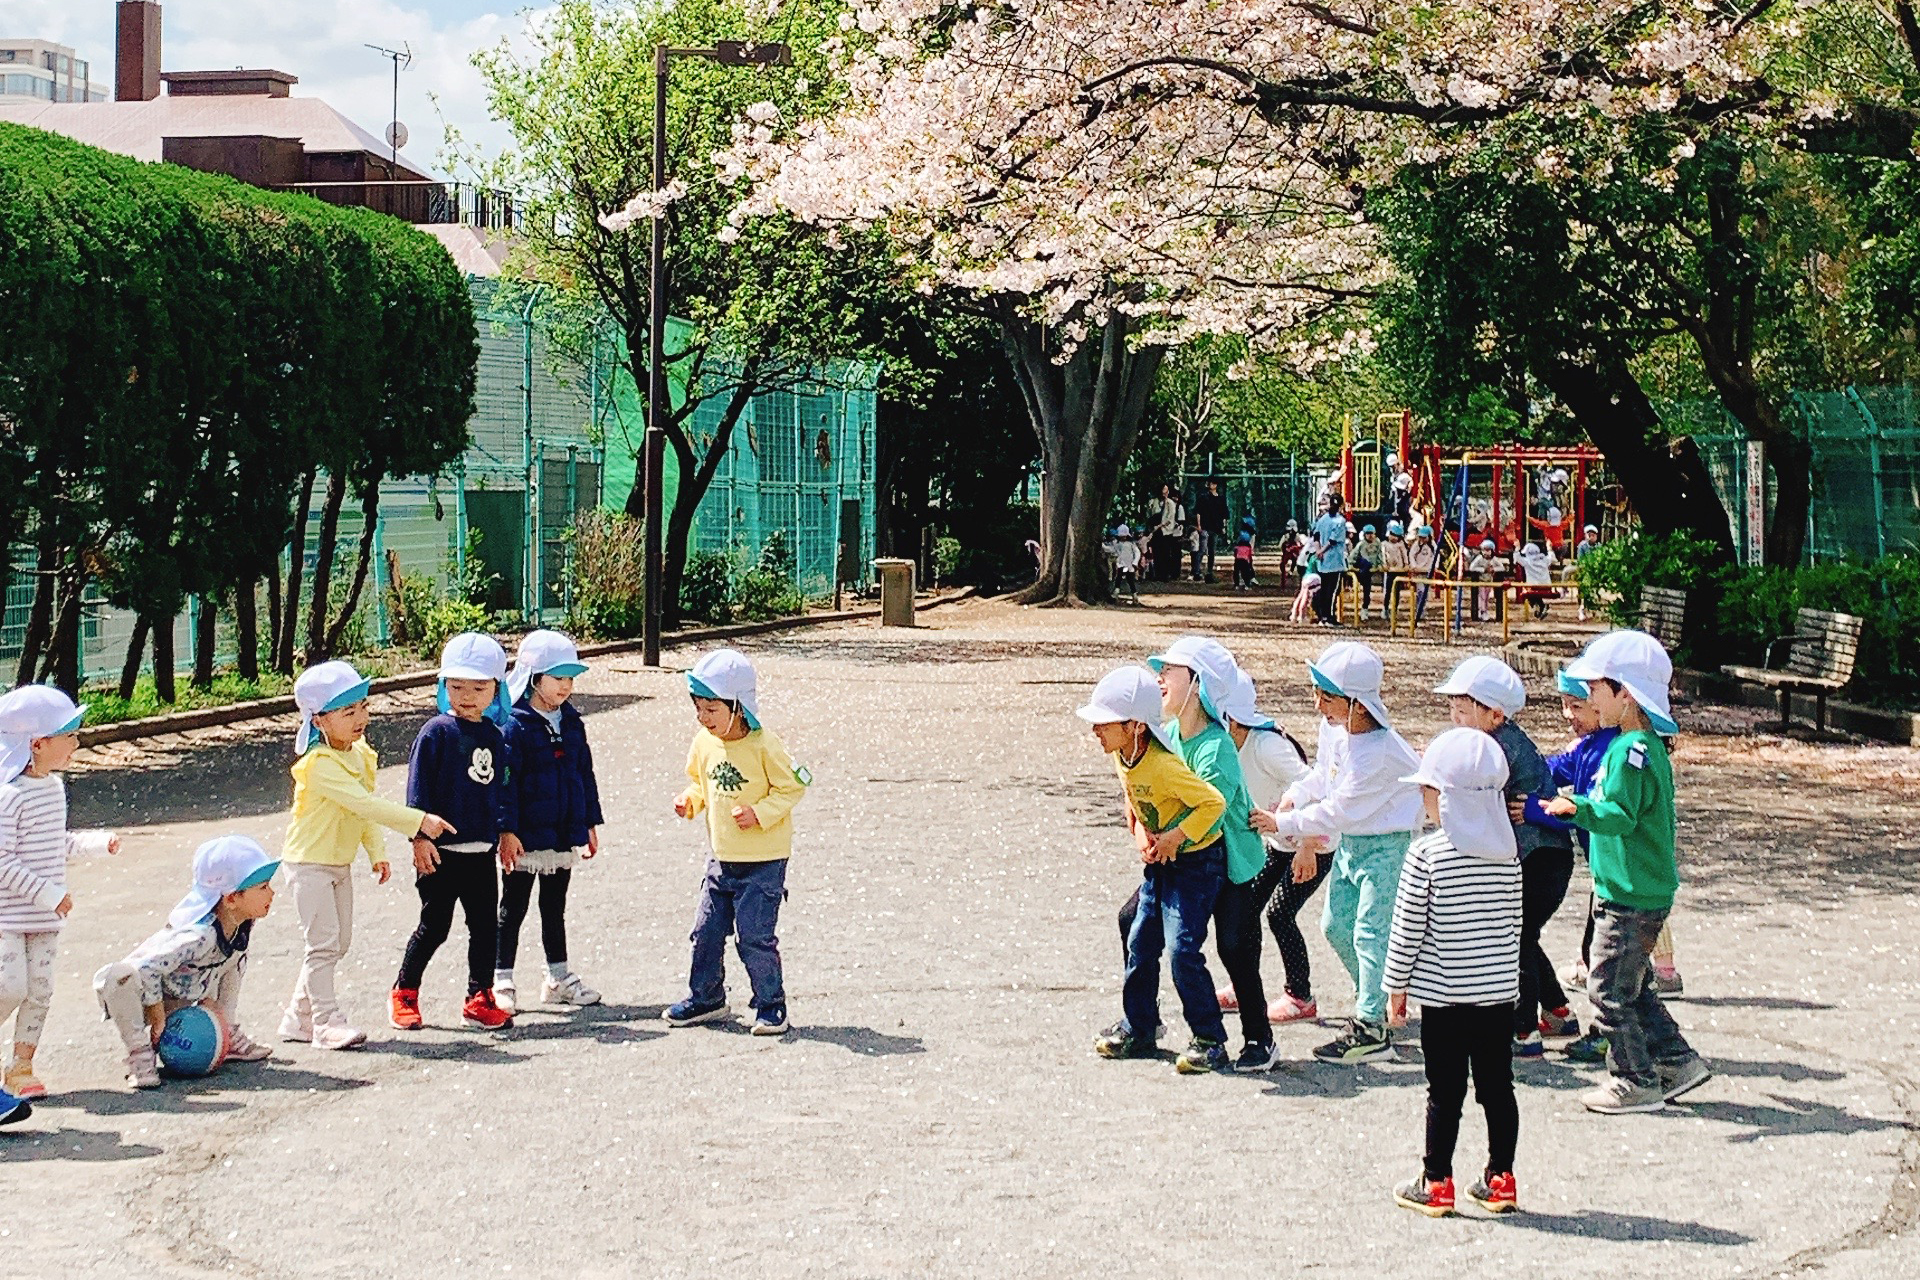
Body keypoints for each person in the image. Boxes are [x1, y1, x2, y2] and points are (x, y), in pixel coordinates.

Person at [1544, 630, 1710, 1114]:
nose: (1589, 700)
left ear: (1625, 693)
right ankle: (1678, 1062)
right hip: (1627, 887)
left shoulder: (1633, 750)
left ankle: (1635, 1079)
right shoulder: (1628, 745)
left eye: (1596, 690)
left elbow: (1620, 815)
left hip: (1633, 892)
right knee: (1630, 986)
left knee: (1606, 990)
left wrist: (1573, 807)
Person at [1258, 642, 1422, 1063]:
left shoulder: (1380, 751)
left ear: (1358, 704)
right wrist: (1294, 795)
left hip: (1387, 847)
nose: (1317, 704)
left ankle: (1370, 1026)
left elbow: (1340, 807)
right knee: (1336, 926)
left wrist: (1284, 824)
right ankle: (1376, 1000)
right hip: (1353, 843)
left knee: (1371, 931)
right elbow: (1321, 778)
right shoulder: (1335, 728)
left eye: (1327, 697)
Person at [1385, 729, 1523, 1218]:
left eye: (1428, 790)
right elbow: (1514, 924)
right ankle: (1501, 1176)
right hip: (1497, 995)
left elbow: (1406, 929)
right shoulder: (1508, 853)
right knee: (1497, 1086)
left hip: (1444, 997)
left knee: (1444, 1091)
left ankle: (1436, 1179)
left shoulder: (1426, 854)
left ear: (1445, 798)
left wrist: (1395, 987)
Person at [279, 662, 450, 1050]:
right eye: (347, 711)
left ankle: (298, 1016)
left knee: (338, 944)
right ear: (320, 720)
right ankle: (325, 1022)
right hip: (308, 864)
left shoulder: (359, 754)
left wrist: (376, 852)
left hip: (337, 863)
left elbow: (362, 808)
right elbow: (363, 803)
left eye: (362, 706)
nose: (360, 718)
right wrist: (419, 821)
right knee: (323, 945)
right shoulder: (318, 765)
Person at [1079, 666, 1230, 1073]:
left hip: (1197, 864)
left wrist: (1175, 838)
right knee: (1139, 937)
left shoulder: (1164, 766)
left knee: (1182, 949)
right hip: (1161, 863)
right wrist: (1142, 833)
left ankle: (1210, 1039)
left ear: (1135, 726)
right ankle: (1141, 1026)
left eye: (1103, 723)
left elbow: (1213, 803)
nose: (1095, 730)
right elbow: (1132, 797)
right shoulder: (1120, 754)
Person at [1137, 639, 1273, 1070]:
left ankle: (1259, 1038)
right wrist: (1143, 831)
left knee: (1235, 946)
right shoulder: (1169, 734)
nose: (1160, 678)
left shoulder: (1216, 747)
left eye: (1170, 671)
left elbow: (1209, 817)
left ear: (1196, 684)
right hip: (1186, 860)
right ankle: (1143, 1021)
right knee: (1134, 923)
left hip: (1230, 865)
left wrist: (1166, 839)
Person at [1433, 656, 1577, 1059]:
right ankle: (1558, 1010)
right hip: (1541, 856)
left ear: (1494, 714)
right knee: (1522, 934)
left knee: (1514, 939)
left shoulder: (1495, 746)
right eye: (1453, 709)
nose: (1455, 718)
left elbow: (1471, 794)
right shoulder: (1498, 738)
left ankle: (1524, 1031)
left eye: (1463, 710)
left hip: (1539, 857)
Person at [669, 649, 810, 1035]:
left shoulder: (766, 744)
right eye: (698, 708)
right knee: (706, 932)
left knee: (755, 938)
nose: (703, 717)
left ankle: (771, 1005)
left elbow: (793, 787)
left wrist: (760, 814)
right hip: (721, 857)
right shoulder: (704, 743)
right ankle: (707, 997)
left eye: (711, 709)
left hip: (764, 860)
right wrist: (690, 801)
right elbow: (701, 783)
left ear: (738, 706)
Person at [392, 634, 521, 1033]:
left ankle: (478, 996)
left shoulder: (497, 737)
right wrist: (419, 837)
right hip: (441, 852)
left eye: (479, 687)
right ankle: (405, 991)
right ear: (443, 686)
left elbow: (503, 789)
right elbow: (418, 789)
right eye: (457, 686)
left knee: (484, 927)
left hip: (481, 851)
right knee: (435, 925)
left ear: (496, 689)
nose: (467, 696)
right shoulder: (435, 732)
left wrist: (507, 832)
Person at [0, 686, 117, 1103]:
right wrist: (49, 894)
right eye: (68, 735)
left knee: (40, 992)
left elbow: (54, 842)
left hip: (45, 918)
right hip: (9, 916)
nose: (76, 743)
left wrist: (95, 843)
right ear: (37, 743)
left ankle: (20, 1066)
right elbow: (3, 861)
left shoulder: (53, 789)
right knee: (9, 987)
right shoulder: (8, 796)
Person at [94, 835, 279, 1089]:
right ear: (231, 898)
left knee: (236, 957)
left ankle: (228, 1032)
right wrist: (158, 1020)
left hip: (180, 992)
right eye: (263, 887)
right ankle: (140, 1055)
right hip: (142, 997)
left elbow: (220, 967)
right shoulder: (198, 936)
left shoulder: (239, 924)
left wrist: (214, 1011)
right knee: (119, 976)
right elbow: (147, 969)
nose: (272, 892)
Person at [493, 630, 605, 1015]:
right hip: (524, 835)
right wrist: (505, 830)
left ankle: (557, 977)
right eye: (558, 678)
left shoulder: (572, 722)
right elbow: (504, 784)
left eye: (570, 678)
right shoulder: (515, 725)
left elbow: (583, 773)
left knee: (554, 906)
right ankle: (501, 978)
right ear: (534, 677)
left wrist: (589, 821)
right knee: (513, 907)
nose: (565, 686)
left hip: (560, 831)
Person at [1217, 668, 1329, 1025]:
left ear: (1231, 717)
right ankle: (1244, 984)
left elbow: (1316, 787)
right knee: (1246, 909)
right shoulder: (1225, 746)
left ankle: (1301, 996)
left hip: (1317, 842)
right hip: (1280, 841)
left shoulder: (1266, 746)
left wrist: (1308, 846)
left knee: (1280, 913)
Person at [1520, 671, 1617, 1057]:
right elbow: (1549, 770)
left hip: (1615, 870)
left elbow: (1587, 811)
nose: (1567, 715)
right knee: (1598, 952)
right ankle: (1588, 1023)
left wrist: (1532, 811)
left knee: (1606, 959)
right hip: (1603, 873)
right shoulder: (1588, 745)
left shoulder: (1611, 750)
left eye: (1577, 705)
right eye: (1565, 705)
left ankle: (1608, 1033)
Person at [1309, 495, 1350, 625]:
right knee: (1332, 591)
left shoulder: (1322, 519)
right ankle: (1329, 617)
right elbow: (1333, 540)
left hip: (1323, 561)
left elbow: (1315, 535)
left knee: (1324, 588)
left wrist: (1318, 551)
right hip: (1335, 561)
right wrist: (1322, 550)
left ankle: (1322, 616)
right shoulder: (1340, 521)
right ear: (1342, 505)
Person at [1196, 479, 1229, 583]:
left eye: (1213, 483)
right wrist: (1199, 525)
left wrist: (1223, 527)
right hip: (1205, 527)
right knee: (1202, 550)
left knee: (1211, 552)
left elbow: (1225, 514)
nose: (1211, 485)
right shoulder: (1203, 498)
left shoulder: (1221, 499)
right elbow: (1198, 512)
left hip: (1215, 528)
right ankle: (1197, 571)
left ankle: (1209, 572)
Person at [1154, 484, 1185, 582]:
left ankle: (1165, 574)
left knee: (1166, 553)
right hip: (1156, 531)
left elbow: (1170, 517)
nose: (1165, 492)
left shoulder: (1171, 503)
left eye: (1166, 490)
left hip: (1166, 531)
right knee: (1157, 553)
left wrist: (1161, 525)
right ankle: (1157, 573)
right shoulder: (1154, 502)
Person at [1407, 526, 1438, 624]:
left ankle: (1421, 608)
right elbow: (1411, 555)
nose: (1422, 539)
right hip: (1418, 572)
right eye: (1420, 537)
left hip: (1427, 571)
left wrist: (1434, 567)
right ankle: (1418, 610)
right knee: (1421, 591)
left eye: (1424, 537)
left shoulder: (1433, 545)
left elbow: (1436, 556)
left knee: (1425, 593)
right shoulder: (1416, 545)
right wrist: (1414, 566)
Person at [1380, 522, 1409, 618]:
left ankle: (1395, 609)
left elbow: (1404, 555)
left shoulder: (1400, 545)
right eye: (1392, 535)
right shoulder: (1384, 544)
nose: (1394, 538)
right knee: (1387, 590)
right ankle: (1385, 608)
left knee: (1397, 591)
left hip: (1399, 569)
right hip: (1389, 570)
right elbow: (1383, 555)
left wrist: (1406, 564)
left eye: (1396, 536)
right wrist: (1384, 564)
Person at [1353, 525, 1381, 620]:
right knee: (1365, 563)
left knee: (1367, 590)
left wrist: (1381, 564)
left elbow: (1380, 554)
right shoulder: (1361, 544)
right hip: (1363, 566)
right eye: (1367, 534)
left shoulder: (1377, 543)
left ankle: (1365, 608)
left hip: (1371, 568)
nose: (1370, 536)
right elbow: (1353, 555)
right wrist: (1350, 565)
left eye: (1371, 533)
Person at [1109, 524, 1142, 599]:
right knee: (1119, 577)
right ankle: (1117, 591)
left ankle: (1134, 595)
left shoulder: (1131, 544)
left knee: (1130, 580)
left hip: (1129, 565)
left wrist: (1135, 562)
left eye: (1124, 536)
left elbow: (1137, 553)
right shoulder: (1117, 543)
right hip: (1121, 564)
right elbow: (1113, 550)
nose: (1123, 538)